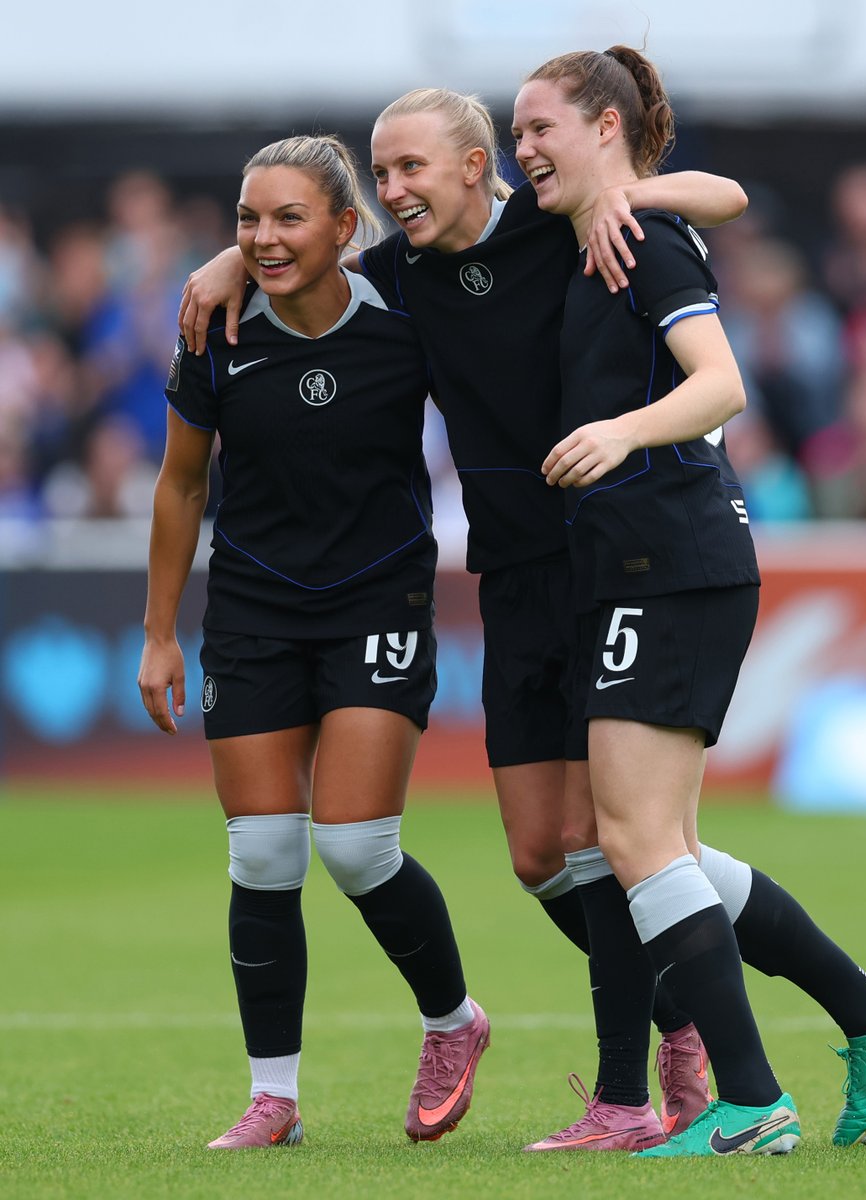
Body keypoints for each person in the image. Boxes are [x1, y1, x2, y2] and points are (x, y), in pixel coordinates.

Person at [179, 95, 750, 1150]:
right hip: (513, 565)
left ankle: (667, 1064)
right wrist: (226, 259)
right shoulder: (395, 275)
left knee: (620, 841)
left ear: (476, 167)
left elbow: (725, 196)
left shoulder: (565, 219)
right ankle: (734, 1013)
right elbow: (297, 237)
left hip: (610, 546)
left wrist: (632, 191)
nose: (394, 191)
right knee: (545, 852)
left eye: (409, 169)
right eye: (382, 175)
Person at [513, 45, 866, 1157]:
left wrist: (619, 431)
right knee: (662, 846)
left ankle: (752, 1102)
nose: (523, 152)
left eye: (540, 129)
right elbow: (720, 198)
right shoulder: (603, 230)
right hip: (646, 564)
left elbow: (722, 382)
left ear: (606, 128)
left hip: (673, 559)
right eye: (514, 136)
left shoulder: (640, 239)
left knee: (634, 839)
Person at [138, 134, 490, 1150]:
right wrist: (160, 635)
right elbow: (181, 483)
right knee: (264, 854)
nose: (264, 238)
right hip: (252, 609)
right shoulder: (215, 327)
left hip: (378, 602)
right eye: (249, 220)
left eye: (290, 218)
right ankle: (274, 1097)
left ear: (346, 228)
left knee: (354, 845)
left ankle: (452, 1021)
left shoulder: (407, 316)